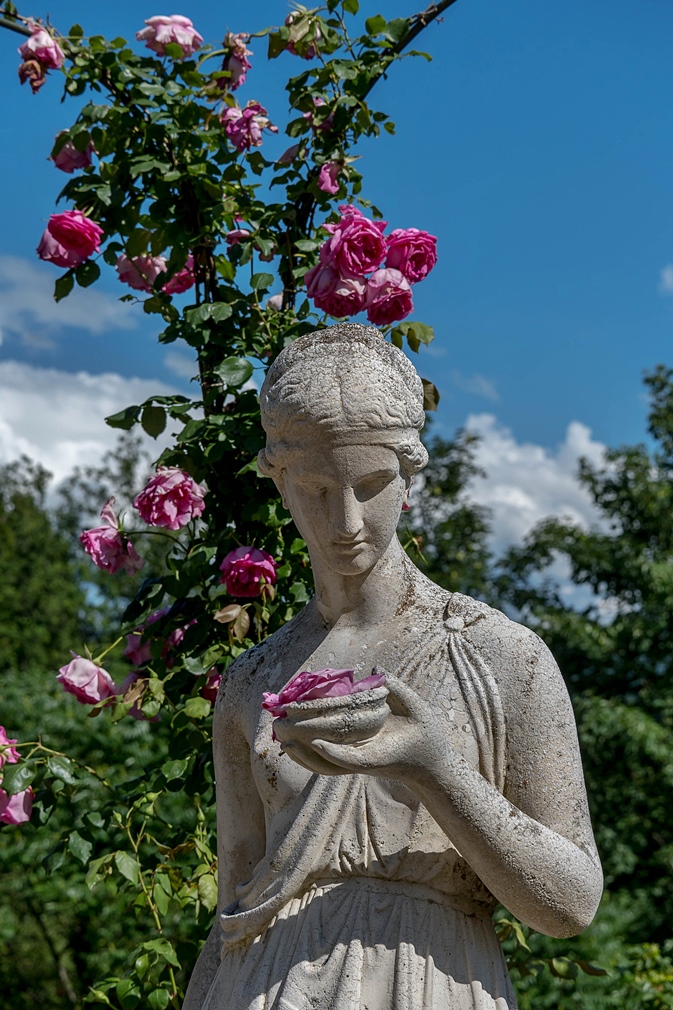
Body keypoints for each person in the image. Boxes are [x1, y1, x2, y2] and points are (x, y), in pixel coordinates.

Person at [184, 323, 602, 1010]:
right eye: (316, 487)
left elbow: (570, 904)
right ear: (279, 482)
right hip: (267, 984)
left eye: (373, 483)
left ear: (410, 476)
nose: (345, 518)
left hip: (428, 979)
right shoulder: (251, 682)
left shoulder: (500, 655)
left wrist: (432, 766)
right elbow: (234, 908)